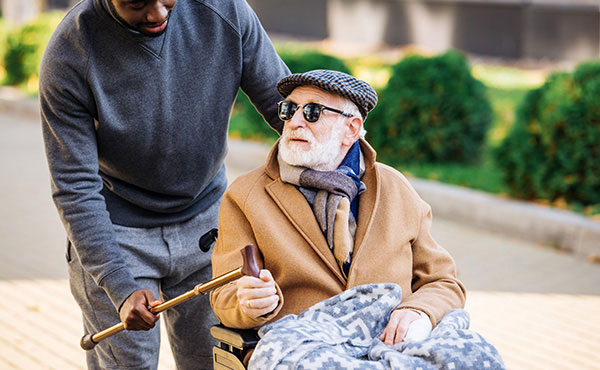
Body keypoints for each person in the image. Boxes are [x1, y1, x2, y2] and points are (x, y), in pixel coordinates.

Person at [39, 0, 289, 369]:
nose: (157, 13)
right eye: (137, 3)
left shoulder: (225, 11)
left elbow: (284, 108)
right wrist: (118, 285)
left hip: (208, 222)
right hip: (117, 232)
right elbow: (75, 186)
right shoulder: (70, 53)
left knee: (212, 362)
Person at [210, 69, 466, 350]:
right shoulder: (246, 195)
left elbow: (443, 281)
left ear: (351, 129)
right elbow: (224, 294)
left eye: (313, 112)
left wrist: (419, 311)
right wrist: (249, 303)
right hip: (305, 352)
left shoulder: (395, 188)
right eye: (290, 110)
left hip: (393, 350)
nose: (295, 122)